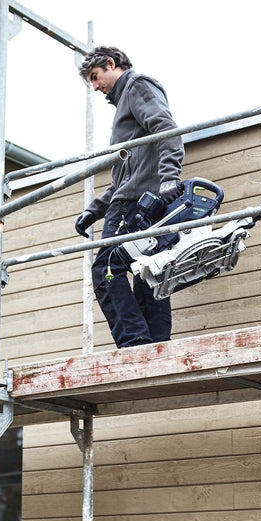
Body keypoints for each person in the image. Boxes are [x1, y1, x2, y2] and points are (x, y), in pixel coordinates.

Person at [74, 46, 184, 348]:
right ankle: (155, 344)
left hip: (134, 205)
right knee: (151, 272)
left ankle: (134, 341)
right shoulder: (127, 102)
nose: (95, 87)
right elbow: (125, 176)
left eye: (96, 77)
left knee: (106, 268)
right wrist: (94, 210)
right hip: (142, 200)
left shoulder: (136, 85)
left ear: (111, 64)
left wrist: (170, 176)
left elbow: (166, 128)